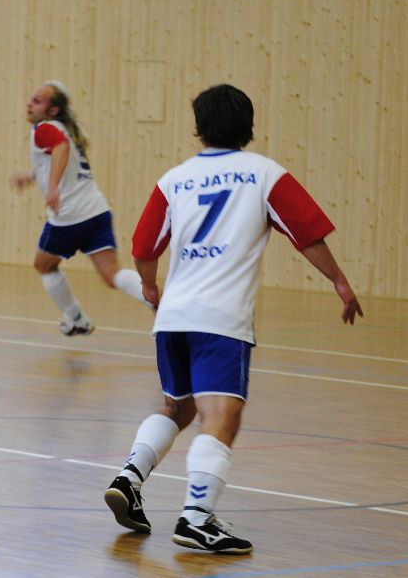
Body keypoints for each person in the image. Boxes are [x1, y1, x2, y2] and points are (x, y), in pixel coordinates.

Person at [103, 84, 362, 553]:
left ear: (199, 129)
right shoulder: (265, 174)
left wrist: (150, 286)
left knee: (178, 409)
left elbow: (144, 247)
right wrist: (339, 281)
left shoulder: (175, 178)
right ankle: (197, 518)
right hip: (220, 319)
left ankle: (129, 476)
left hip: (173, 318)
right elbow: (307, 235)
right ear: (249, 126)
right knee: (221, 415)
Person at [11, 80, 151, 335]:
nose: (30, 105)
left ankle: (76, 318)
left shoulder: (44, 129)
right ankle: (161, 302)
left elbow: (60, 149)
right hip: (96, 211)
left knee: (44, 265)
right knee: (113, 276)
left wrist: (52, 187)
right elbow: (58, 160)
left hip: (70, 216)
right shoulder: (63, 129)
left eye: (38, 101)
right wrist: (33, 176)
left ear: (53, 110)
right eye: (31, 99)